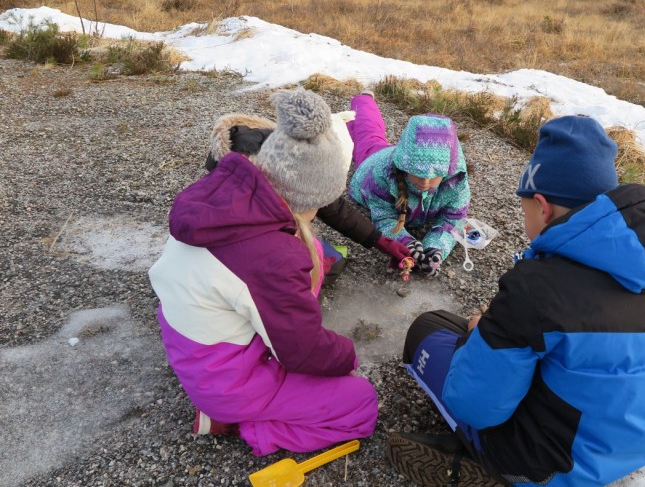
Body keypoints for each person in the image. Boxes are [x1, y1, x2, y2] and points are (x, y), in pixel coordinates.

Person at [387, 115, 645, 486]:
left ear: (542, 206)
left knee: (429, 329)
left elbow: (474, 405)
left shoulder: (537, 287)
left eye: (525, 211)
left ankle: (492, 468)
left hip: (557, 463)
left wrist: (478, 339)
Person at [148, 88, 378, 456]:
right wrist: (347, 356)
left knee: (316, 254)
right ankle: (248, 426)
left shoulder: (223, 195)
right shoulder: (271, 257)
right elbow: (302, 351)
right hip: (226, 383)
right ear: (309, 196)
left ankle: (235, 406)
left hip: (195, 350)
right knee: (360, 402)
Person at [204, 111, 412, 285]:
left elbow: (333, 207)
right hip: (236, 262)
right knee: (315, 269)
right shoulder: (245, 202)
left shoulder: (289, 168)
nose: (318, 204)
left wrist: (379, 240)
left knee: (328, 260)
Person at [346, 91, 470, 276]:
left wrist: (435, 249)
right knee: (367, 133)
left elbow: (454, 219)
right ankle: (363, 99)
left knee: (369, 135)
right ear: (404, 166)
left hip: (398, 155)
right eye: (418, 174)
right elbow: (384, 218)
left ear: (448, 169)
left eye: (435, 175)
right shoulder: (381, 177)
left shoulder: (456, 181)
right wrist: (406, 243)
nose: (425, 182)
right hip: (370, 162)